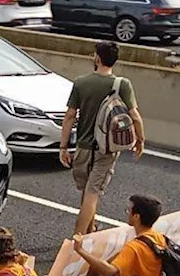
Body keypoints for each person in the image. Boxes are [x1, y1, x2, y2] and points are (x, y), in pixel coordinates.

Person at [58, 41, 146, 236]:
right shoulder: (122, 84)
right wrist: (140, 140)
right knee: (93, 193)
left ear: (97, 58)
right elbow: (135, 116)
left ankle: (89, 230)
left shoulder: (81, 82)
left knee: (86, 192)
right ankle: (79, 239)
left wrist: (63, 147)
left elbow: (70, 116)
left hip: (83, 146)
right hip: (106, 149)